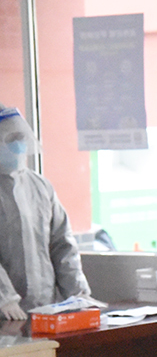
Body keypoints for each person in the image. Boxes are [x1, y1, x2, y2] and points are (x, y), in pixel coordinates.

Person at [0, 104, 91, 320]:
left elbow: (62, 244)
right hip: (5, 314)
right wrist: (5, 297)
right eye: (10, 139)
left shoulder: (40, 186)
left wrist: (77, 294)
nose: (18, 145)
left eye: (21, 138)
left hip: (45, 308)